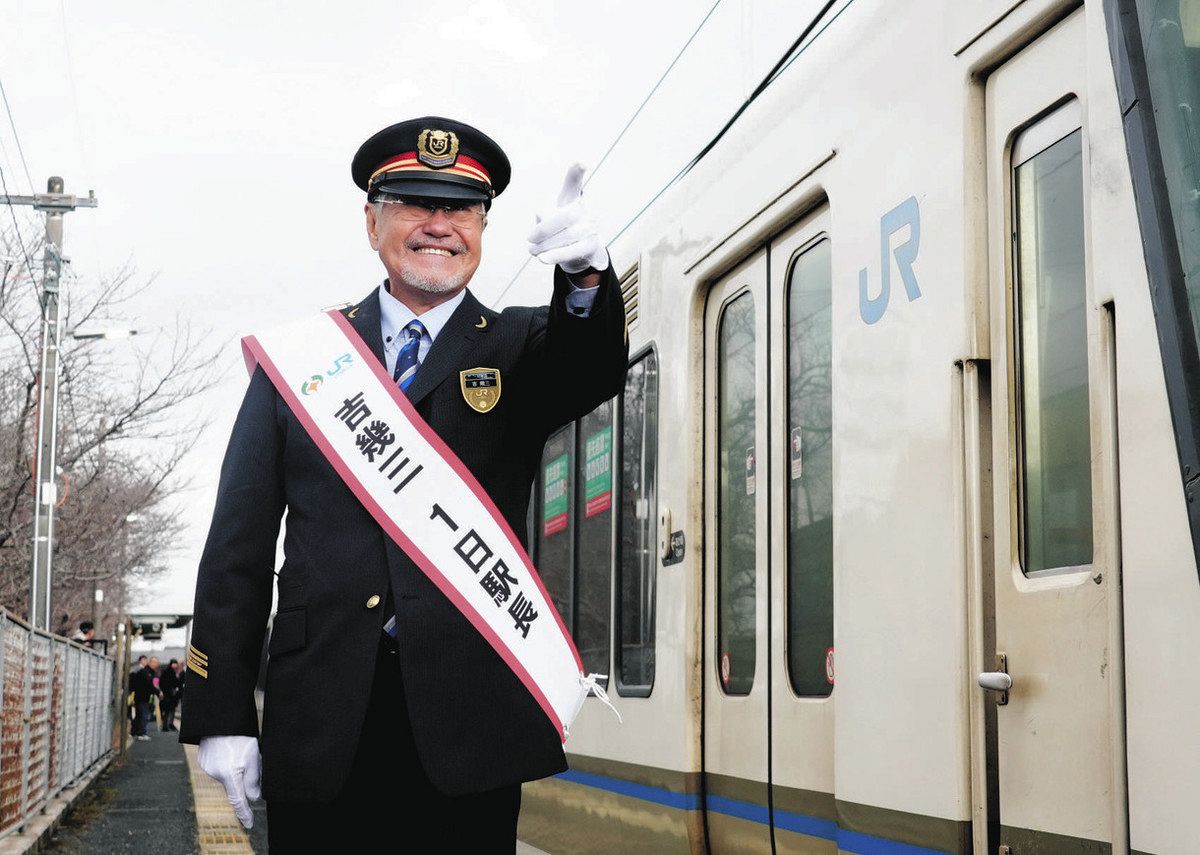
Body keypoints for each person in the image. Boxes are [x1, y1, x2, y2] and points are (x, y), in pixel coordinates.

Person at [180, 116, 628, 852]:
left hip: (468, 729)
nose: (438, 226)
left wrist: (584, 277)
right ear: (372, 220)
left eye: (460, 208)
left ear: (483, 226)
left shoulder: (520, 346)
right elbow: (237, 549)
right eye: (416, 202)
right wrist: (223, 710)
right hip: (320, 719)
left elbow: (590, 366)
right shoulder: (302, 361)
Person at [130, 656, 160, 741]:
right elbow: (150, 685)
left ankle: (134, 732)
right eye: (155, 663)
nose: (156, 665)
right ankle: (141, 733)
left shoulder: (150, 672)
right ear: (151, 663)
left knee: (139, 715)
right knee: (144, 715)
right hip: (142, 697)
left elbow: (154, 684)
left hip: (142, 697)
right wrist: (158, 692)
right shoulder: (145, 672)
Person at [159, 658, 182, 732]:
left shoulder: (169, 672)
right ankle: (167, 725)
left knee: (169, 711)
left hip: (170, 695)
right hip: (170, 695)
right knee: (169, 711)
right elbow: (175, 682)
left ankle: (167, 725)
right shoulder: (170, 672)